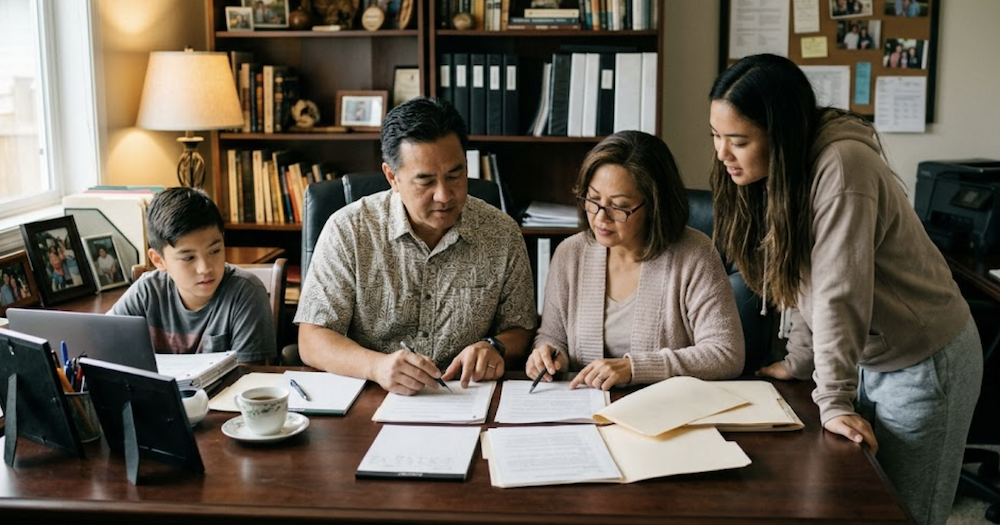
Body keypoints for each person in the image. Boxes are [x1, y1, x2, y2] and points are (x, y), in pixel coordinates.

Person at [708, 53, 982, 525]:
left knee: (906, 512)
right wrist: (800, 361)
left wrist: (831, 398)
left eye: (738, 140)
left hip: (924, 362)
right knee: (856, 502)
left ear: (782, 133)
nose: (722, 153)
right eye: (715, 135)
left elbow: (840, 292)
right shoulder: (783, 172)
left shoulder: (842, 166)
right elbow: (799, 277)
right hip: (868, 355)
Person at [294, 96, 536, 395]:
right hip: (373, 395)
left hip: (466, 396)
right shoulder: (349, 230)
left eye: (455, 174)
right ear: (392, 177)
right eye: (426, 181)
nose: (444, 195)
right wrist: (376, 366)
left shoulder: (501, 233)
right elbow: (312, 338)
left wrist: (495, 347)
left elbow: (521, 327)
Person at [526, 131, 744, 389]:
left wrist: (635, 368)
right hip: (584, 410)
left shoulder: (694, 254)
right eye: (593, 200)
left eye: (618, 206)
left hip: (664, 412)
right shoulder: (570, 254)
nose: (600, 218)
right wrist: (548, 354)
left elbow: (726, 353)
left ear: (654, 206)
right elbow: (552, 336)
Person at [110, 187, 276, 365]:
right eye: (188, 258)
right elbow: (104, 345)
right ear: (159, 261)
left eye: (214, 251)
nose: (205, 268)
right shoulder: (146, 293)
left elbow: (248, 378)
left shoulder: (245, 292)